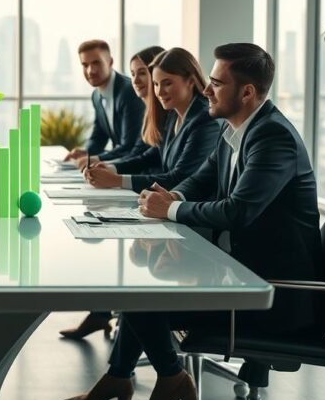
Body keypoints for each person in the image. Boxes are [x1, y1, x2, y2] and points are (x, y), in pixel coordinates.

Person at [64, 43, 323, 400]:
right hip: (239, 273)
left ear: (247, 93)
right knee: (138, 286)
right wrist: (172, 197)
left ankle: (169, 377)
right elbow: (200, 180)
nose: (207, 90)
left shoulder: (272, 137)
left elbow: (238, 211)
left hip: (272, 296)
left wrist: (168, 208)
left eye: (216, 83)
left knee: (140, 295)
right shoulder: (235, 130)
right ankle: (121, 376)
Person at [59, 45, 186, 341]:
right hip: (155, 199)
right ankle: (104, 319)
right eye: (137, 75)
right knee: (96, 234)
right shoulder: (164, 112)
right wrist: (96, 161)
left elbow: (146, 156)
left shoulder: (172, 113)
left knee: (120, 259)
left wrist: (113, 173)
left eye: (146, 75)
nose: (140, 82)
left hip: (167, 206)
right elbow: (142, 152)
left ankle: (107, 323)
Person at [84, 47, 220, 193]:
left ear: (190, 81)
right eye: (156, 84)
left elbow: (179, 178)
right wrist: (111, 168)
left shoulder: (204, 120)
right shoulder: (174, 114)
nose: (159, 92)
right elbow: (152, 156)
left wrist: (117, 180)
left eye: (167, 83)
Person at [65, 39, 146, 164]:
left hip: (134, 165)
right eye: (85, 65)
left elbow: (128, 146)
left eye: (96, 63)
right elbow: (99, 136)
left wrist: (95, 159)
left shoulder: (129, 91)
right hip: (118, 162)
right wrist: (86, 152)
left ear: (110, 62)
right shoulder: (96, 96)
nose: (90, 71)